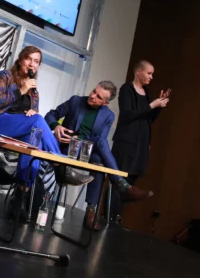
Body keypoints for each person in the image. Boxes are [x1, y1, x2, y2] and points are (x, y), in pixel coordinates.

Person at [0, 45, 93, 220]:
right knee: (38, 121)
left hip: (17, 131)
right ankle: (60, 167)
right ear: (20, 60)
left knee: (35, 141)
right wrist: (21, 91)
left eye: (36, 61)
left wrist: (32, 111)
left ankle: (20, 196)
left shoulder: (34, 92)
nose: (32, 64)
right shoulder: (5, 76)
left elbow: (35, 119)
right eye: (29, 59)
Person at [45, 82, 153, 230]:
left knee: (98, 158)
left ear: (105, 102)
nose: (92, 96)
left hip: (86, 150)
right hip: (67, 148)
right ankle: (122, 185)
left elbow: (99, 142)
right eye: (94, 91)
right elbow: (50, 115)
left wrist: (82, 142)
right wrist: (56, 126)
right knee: (99, 161)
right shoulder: (76, 101)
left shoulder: (108, 115)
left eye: (98, 96)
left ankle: (91, 211)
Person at [110, 60, 171, 222]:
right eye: (149, 73)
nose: (151, 77)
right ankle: (109, 218)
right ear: (139, 72)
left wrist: (158, 106)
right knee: (119, 183)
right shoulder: (126, 89)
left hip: (141, 145)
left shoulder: (147, 92)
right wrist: (152, 105)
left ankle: (116, 219)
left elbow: (149, 118)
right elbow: (128, 114)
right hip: (126, 144)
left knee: (130, 186)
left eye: (152, 74)